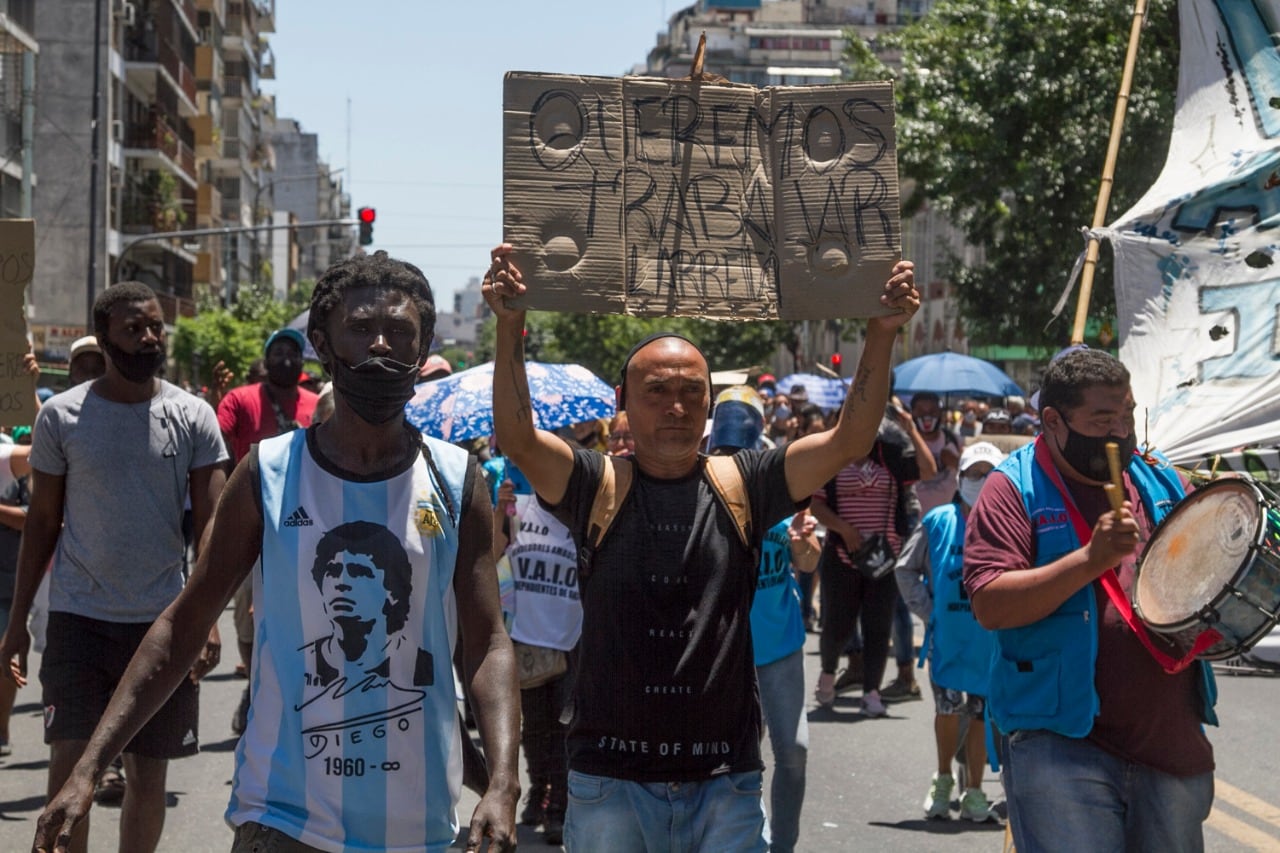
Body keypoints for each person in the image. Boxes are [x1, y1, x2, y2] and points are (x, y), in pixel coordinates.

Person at [27, 253, 521, 853]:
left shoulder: (456, 479)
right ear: (321, 342)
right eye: (361, 328)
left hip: (419, 828)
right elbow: (183, 623)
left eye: (400, 331)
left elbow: (488, 642)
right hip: (281, 821)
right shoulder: (269, 472)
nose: (382, 345)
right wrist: (87, 766)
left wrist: (502, 781)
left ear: (424, 349)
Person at [484, 242, 919, 851]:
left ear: (711, 402)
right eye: (657, 391)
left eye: (692, 391)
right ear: (623, 404)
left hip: (726, 783)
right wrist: (511, 327)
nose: (677, 406)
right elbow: (519, 439)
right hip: (609, 779)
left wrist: (882, 333)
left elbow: (849, 440)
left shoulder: (748, 480)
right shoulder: (593, 483)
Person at [0, 282, 228, 853]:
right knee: (69, 771)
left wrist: (207, 617)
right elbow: (42, 523)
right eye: (135, 328)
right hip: (79, 622)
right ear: (105, 339)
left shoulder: (193, 416)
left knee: (148, 777)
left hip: (163, 627)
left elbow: (212, 528)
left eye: (155, 326)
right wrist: (17, 625)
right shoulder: (62, 418)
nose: (150, 337)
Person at [963, 348, 1217, 851]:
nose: (1120, 431)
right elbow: (990, 603)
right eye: (1102, 419)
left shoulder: (1163, 481)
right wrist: (1089, 559)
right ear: (1053, 421)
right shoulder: (1011, 488)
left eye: (1127, 415)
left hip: (1169, 740)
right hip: (1061, 745)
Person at [707, 385, 820, 853]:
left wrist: (801, 543)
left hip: (779, 646)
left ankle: (783, 847)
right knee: (733, 760)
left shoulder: (782, 479)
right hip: (722, 650)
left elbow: (810, 561)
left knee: (792, 753)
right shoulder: (700, 479)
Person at [896, 441, 1005, 823]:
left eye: (989, 474)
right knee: (947, 709)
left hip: (987, 640)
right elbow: (905, 568)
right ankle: (943, 778)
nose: (981, 480)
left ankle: (973, 790)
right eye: (974, 473)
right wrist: (929, 612)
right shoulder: (938, 520)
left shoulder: (1007, 524)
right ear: (960, 478)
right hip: (948, 639)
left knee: (978, 714)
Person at [217, 327, 320, 731]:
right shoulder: (240, 400)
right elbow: (219, 447)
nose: (286, 359)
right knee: (247, 616)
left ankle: (275, 692)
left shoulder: (317, 404)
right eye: (278, 352)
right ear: (266, 358)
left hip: (306, 530)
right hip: (252, 528)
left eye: (294, 353)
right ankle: (255, 673)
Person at [812, 401, 935, 714]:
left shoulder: (891, 455)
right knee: (837, 625)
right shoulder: (831, 459)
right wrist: (844, 529)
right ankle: (827, 673)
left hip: (885, 558)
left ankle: (871, 693)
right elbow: (816, 504)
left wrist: (910, 428)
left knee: (878, 627)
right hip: (842, 554)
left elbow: (928, 470)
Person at [493, 457, 583, 846]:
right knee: (534, 728)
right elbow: (494, 551)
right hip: (525, 636)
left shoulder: (581, 516)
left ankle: (559, 809)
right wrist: (500, 510)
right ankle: (537, 791)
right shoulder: (518, 508)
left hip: (570, 639)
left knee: (564, 729)